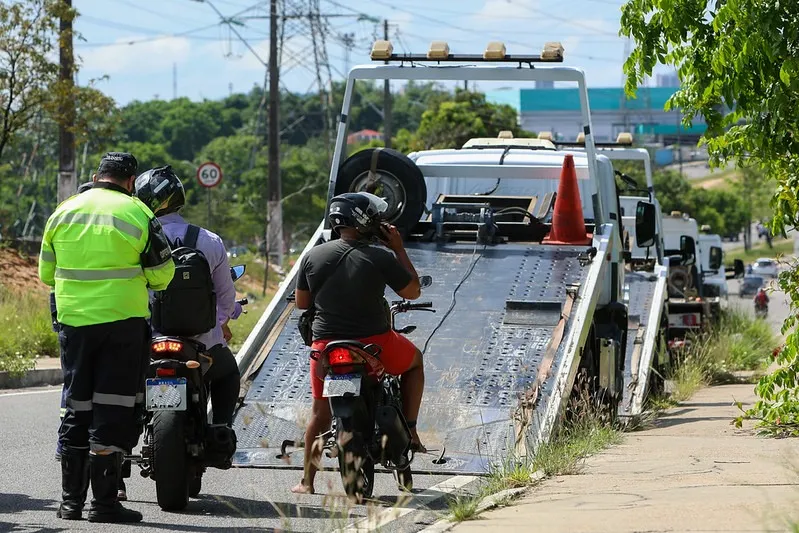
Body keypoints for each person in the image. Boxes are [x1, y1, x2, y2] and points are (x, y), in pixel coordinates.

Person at [39, 152, 175, 523]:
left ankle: (70, 504)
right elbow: (163, 275)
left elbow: (46, 274)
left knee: (76, 407)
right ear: (130, 181)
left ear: (97, 175)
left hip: (74, 326)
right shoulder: (138, 213)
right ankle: (104, 505)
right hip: (122, 327)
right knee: (112, 409)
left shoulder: (63, 211)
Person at [290, 192, 425, 495]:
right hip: (375, 343)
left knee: (319, 414)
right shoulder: (381, 256)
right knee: (415, 362)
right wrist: (398, 248)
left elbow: (302, 303)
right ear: (365, 222)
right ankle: (412, 429)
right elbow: (413, 292)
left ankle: (307, 482)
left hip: (326, 347)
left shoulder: (312, 256)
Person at [134, 165, 243, 427]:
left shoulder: (135, 240)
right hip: (202, 342)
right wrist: (221, 321)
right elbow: (226, 298)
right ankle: (221, 428)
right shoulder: (209, 240)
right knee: (228, 373)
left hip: (150, 338)